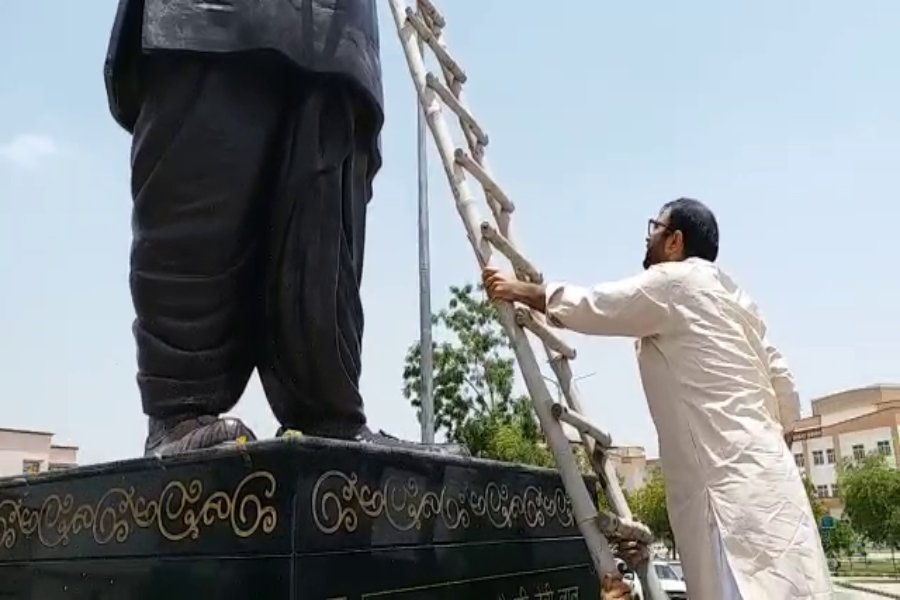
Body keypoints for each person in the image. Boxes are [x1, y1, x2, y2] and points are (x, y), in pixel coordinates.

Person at [104, 0, 463, 457]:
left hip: (338, 26)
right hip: (210, 18)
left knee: (326, 195)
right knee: (204, 163)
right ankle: (180, 410)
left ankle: (329, 411)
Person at [482, 198, 833, 599]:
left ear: (674, 241)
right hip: (775, 487)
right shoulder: (738, 301)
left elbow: (600, 305)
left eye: (655, 227)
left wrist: (520, 290)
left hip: (728, 504)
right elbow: (785, 387)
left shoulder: (675, 282)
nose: (648, 237)